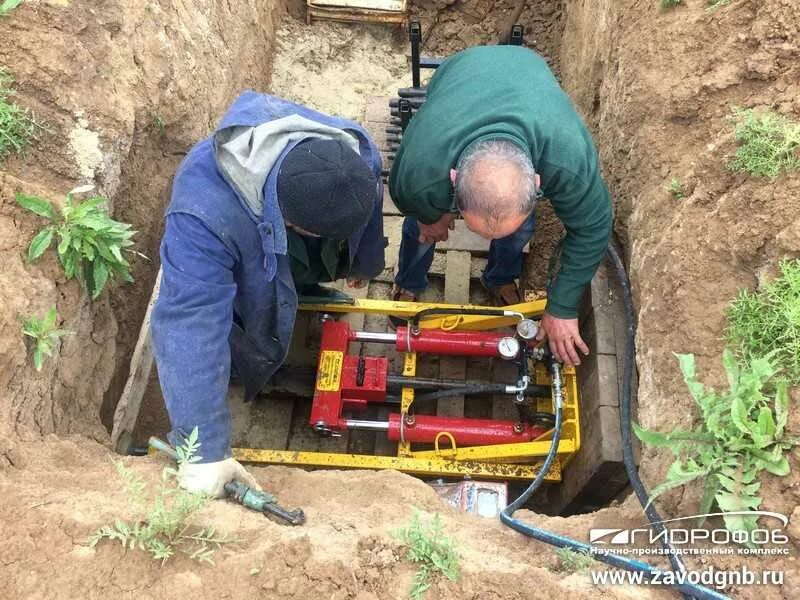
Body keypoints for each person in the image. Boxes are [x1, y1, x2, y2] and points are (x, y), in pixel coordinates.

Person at [151, 92, 385, 497]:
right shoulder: (203, 212)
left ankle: (301, 287)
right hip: (243, 246)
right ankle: (246, 369)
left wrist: (362, 264)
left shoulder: (354, 153)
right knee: (245, 314)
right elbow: (191, 320)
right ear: (296, 226)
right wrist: (204, 449)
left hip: (283, 234)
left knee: (296, 273)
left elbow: (369, 210)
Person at [389, 45, 613, 368]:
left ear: (537, 183)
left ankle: (499, 277)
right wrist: (428, 219)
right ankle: (409, 281)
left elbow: (594, 227)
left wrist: (562, 305)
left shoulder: (568, 159)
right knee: (419, 231)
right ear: (453, 178)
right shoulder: (421, 169)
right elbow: (404, 196)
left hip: (528, 70)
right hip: (462, 71)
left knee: (519, 228)